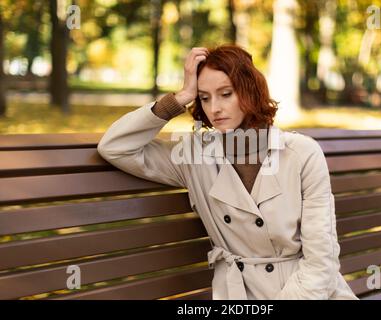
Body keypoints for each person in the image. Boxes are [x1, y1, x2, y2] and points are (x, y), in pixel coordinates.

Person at [97, 45, 359, 300]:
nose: (214, 109)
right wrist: (181, 97)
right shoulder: (192, 156)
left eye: (226, 93)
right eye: (204, 97)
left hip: (310, 293)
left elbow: (321, 260)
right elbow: (116, 147)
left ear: (250, 92)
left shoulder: (302, 153)